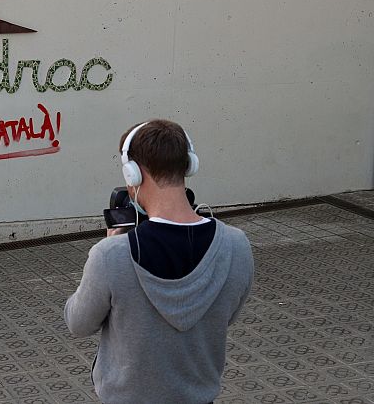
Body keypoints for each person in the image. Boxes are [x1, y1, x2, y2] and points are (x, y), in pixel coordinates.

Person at [64, 119, 254, 404]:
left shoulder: (112, 255)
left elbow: (77, 323)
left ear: (133, 174)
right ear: (188, 165)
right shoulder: (236, 245)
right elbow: (225, 317)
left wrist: (109, 245)